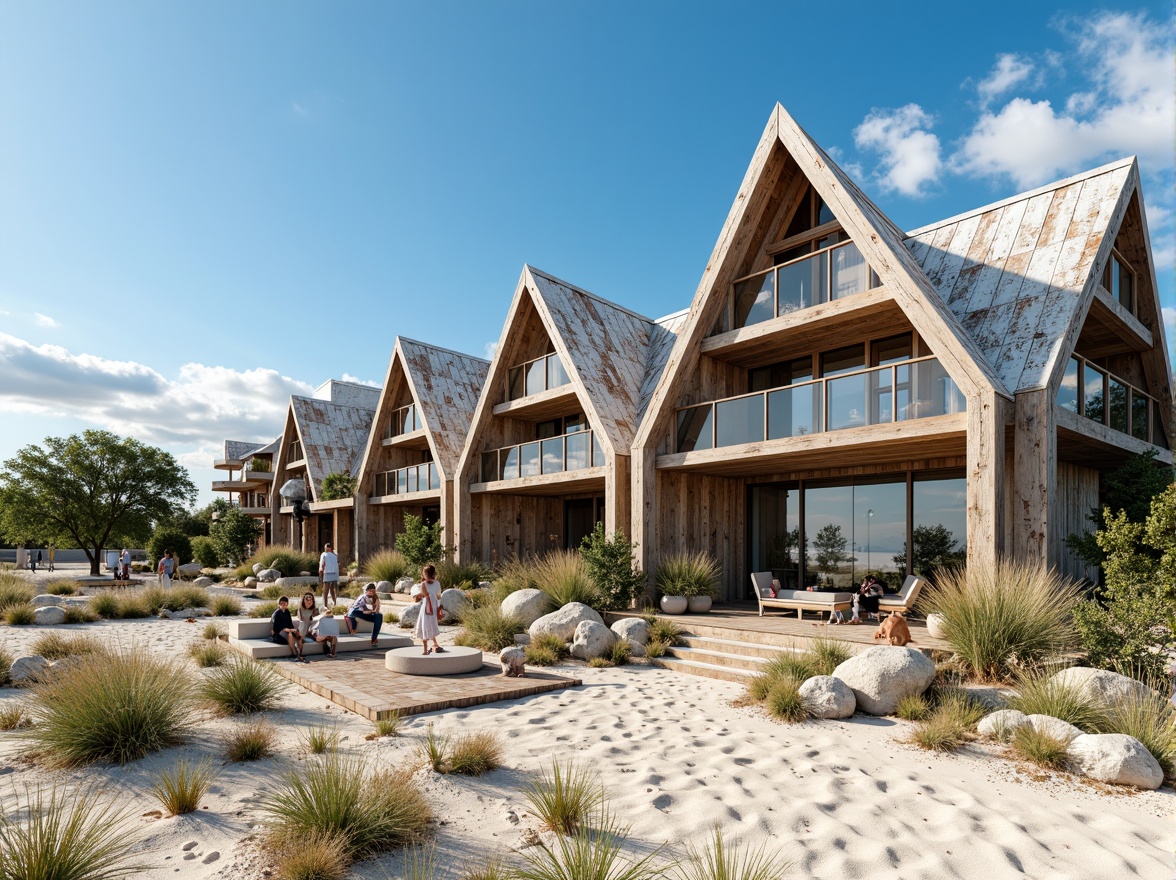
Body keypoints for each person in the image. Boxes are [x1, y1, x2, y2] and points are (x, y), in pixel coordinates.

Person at [413, 564, 443, 655]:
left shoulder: (423, 584)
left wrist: (417, 596)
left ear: (425, 574)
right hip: (434, 608)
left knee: (425, 627)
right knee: (431, 625)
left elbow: (424, 596)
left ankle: (425, 650)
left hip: (427, 609)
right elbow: (438, 596)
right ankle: (435, 644)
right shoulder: (437, 583)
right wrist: (439, 609)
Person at [297, 591, 337, 659]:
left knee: (332, 636)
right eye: (307, 599)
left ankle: (332, 653)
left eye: (311, 599)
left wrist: (324, 614)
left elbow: (316, 619)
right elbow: (301, 620)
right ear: (304, 600)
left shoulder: (314, 609)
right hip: (304, 632)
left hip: (313, 631)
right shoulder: (300, 609)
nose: (309, 601)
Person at [270, 596, 307, 662]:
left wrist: (294, 630)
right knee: (290, 634)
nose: (284, 606)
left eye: (286, 604)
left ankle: (301, 654)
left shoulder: (287, 612)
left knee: (299, 634)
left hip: (287, 631)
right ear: (279, 604)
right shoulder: (276, 614)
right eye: (282, 604)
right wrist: (290, 630)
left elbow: (290, 624)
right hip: (278, 635)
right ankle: (294, 652)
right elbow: (278, 628)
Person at [319, 542, 339, 609]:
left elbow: (322, 563)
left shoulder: (324, 554)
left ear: (327, 548)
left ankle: (325, 605)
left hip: (327, 573)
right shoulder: (335, 555)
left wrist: (320, 571)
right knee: (333, 589)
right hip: (335, 573)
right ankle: (335, 602)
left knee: (326, 590)